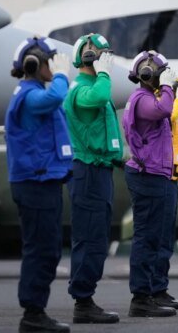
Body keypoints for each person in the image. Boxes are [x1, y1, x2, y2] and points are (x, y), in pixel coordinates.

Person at [5, 37, 73, 333]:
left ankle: (35, 312)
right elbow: (55, 98)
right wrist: (61, 76)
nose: (54, 67)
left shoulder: (34, 93)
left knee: (48, 248)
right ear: (34, 64)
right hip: (35, 183)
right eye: (50, 62)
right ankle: (32, 314)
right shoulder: (30, 96)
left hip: (44, 181)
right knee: (41, 249)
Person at [123, 50, 178, 317]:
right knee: (147, 238)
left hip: (156, 174)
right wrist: (169, 89)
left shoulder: (147, 97)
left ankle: (153, 291)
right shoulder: (142, 99)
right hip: (147, 175)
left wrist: (170, 88)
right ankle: (141, 297)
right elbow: (165, 110)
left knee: (158, 237)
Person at [63, 33, 122, 324]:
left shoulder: (94, 85)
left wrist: (119, 157)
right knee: (89, 236)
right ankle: (83, 302)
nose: (106, 59)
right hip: (87, 171)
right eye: (102, 54)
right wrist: (104, 74)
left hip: (100, 168)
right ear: (88, 57)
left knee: (98, 236)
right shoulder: (82, 89)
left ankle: (86, 298)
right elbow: (99, 97)